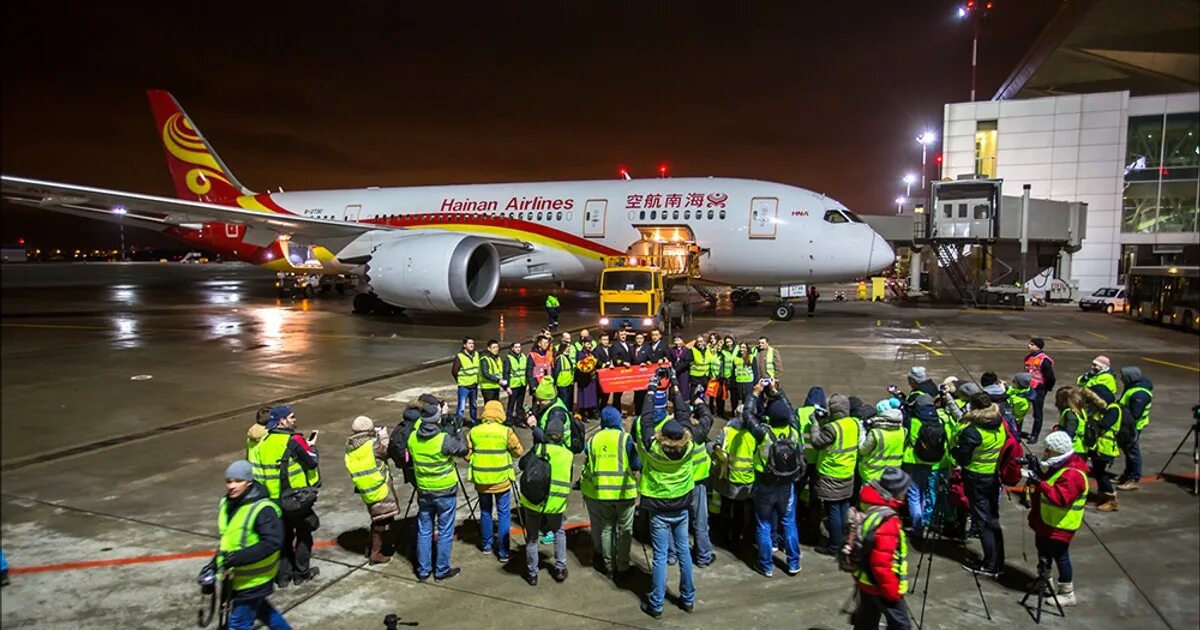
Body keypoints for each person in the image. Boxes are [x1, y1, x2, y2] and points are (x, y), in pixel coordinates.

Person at [636, 377, 698, 619]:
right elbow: (683, 415)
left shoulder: (653, 449)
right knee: (684, 552)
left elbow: (646, 420)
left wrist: (651, 392)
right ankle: (688, 598)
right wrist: (675, 386)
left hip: (659, 509)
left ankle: (657, 603)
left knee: (660, 556)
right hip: (681, 506)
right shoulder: (690, 447)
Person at [248, 405, 321, 587]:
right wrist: (313, 448)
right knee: (304, 535)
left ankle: (282, 577)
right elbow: (311, 463)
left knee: (284, 538)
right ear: (282, 421)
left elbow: (256, 477)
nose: (294, 420)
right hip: (296, 499)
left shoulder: (261, 445)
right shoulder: (293, 440)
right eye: (291, 417)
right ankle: (301, 573)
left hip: (274, 502)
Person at [215, 460, 291, 630]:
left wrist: (238, 558)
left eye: (237, 481)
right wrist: (214, 564)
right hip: (237, 577)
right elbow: (228, 538)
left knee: (238, 624)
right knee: (263, 611)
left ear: (249, 482)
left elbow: (272, 542)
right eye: (229, 481)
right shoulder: (226, 504)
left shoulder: (263, 509)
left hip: (254, 579)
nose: (232, 486)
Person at [743, 381, 803, 577]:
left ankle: (766, 565)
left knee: (764, 524)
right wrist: (777, 392)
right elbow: (790, 410)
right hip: (787, 485)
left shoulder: (764, 433)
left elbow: (748, 415)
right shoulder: (794, 430)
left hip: (766, 483)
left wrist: (754, 394)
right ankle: (794, 562)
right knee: (788, 522)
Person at [1025, 431, 1089, 607]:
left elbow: (1060, 498)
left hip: (1061, 524)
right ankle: (1044, 580)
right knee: (1043, 550)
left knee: (1060, 556)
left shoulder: (1073, 474)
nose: (1045, 453)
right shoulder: (1061, 465)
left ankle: (1067, 592)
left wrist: (1040, 483)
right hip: (1047, 520)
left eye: (1048, 450)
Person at [407, 400, 468, 582]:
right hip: (445, 490)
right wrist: (458, 431)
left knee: (424, 530)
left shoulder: (412, 439)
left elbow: (419, 426)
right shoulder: (443, 440)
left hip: (425, 490)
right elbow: (462, 449)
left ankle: (423, 570)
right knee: (444, 530)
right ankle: (441, 569)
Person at [580, 406, 641, 579]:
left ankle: (608, 565)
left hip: (603, 493)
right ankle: (622, 566)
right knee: (624, 531)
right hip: (624, 493)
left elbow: (587, 456)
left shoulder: (593, 440)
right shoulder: (625, 439)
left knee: (606, 528)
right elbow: (636, 464)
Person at [952, 392, 1006, 578]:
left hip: (976, 477)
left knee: (983, 521)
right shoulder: (999, 424)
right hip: (992, 476)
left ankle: (991, 564)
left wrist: (955, 449)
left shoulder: (973, 431)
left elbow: (963, 457)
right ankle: (997, 560)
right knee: (992, 520)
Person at [852, 467, 913, 630]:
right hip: (881, 585)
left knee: (865, 622)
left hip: (865, 580)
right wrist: (893, 591)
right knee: (902, 625)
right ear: (896, 492)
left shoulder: (870, 507)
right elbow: (881, 563)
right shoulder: (889, 521)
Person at [519, 415, 574, 585]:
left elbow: (522, 464)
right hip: (556, 503)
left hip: (534, 501)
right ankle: (559, 567)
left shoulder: (539, 449)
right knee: (558, 532)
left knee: (532, 538)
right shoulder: (568, 454)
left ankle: (532, 573)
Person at [468, 400, 524, 562]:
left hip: (481, 480)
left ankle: (486, 545)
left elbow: (467, 453)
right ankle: (503, 551)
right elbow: (518, 451)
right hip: (501, 480)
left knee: (485, 511)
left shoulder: (474, 431)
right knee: (503, 513)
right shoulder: (505, 431)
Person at [344, 416, 399, 564]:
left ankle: (371, 548)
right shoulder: (372, 445)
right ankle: (376, 553)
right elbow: (388, 452)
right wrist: (384, 437)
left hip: (365, 488)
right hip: (379, 487)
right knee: (382, 521)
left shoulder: (351, 447)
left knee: (377, 518)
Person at [810, 394, 858, 556]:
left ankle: (834, 546)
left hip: (831, 474)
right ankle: (844, 541)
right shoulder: (854, 424)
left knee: (832, 512)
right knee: (844, 509)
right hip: (847, 472)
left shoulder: (832, 428)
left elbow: (817, 443)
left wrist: (815, 424)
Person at [712, 398, 756, 549]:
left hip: (728, 477)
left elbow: (717, 448)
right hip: (748, 479)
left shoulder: (727, 431)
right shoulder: (754, 433)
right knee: (740, 512)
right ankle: (737, 539)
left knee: (726, 508)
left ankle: (723, 537)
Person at [901, 394, 944, 545]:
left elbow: (908, 438)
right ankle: (923, 520)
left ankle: (917, 528)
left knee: (913, 494)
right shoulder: (938, 420)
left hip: (912, 460)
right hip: (929, 461)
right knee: (923, 492)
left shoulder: (913, 421)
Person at [795, 386, 827, 543]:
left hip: (802, 461)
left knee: (796, 492)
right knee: (816, 498)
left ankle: (795, 522)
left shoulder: (799, 412)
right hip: (819, 463)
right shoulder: (826, 415)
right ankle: (812, 531)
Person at [1086, 385, 1124, 512]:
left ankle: (1111, 499)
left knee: (1101, 474)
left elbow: (1104, 424)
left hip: (1106, 448)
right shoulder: (1102, 409)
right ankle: (1102, 496)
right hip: (1099, 447)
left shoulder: (1113, 409)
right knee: (1097, 472)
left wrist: (1090, 421)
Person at [1116, 366, 1152, 491]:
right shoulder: (1133, 387)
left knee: (1133, 452)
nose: (1121, 379)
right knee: (1128, 451)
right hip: (1128, 426)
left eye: (1123, 376)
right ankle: (1127, 474)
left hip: (1133, 427)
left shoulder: (1140, 393)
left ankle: (1134, 478)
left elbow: (1135, 414)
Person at [859, 403, 905, 487]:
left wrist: (862, 429)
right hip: (893, 474)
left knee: (869, 499)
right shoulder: (902, 431)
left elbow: (863, 450)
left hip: (872, 474)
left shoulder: (876, 433)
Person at [1023, 338, 1057, 443]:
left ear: (1038, 346)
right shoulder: (1028, 357)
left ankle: (1034, 435)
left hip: (1039, 389)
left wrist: (1046, 387)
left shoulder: (1044, 360)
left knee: (1037, 413)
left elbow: (1050, 377)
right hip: (1028, 387)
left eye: (1032, 344)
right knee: (1021, 409)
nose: (1029, 346)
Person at [451, 338, 480, 426]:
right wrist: (460, 381)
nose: (472, 345)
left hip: (474, 385)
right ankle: (458, 425)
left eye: (473, 343)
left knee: (474, 406)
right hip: (464, 386)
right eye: (469, 343)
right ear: (464, 345)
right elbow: (454, 371)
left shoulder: (476, 354)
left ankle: (474, 422)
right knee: (461, 407)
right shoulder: (460, 356)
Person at [574, 338, 601, 421]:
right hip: (584, 379)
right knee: (584, 397)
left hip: (592, 379)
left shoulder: (592, 354)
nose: (589, 346)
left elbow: (597, 362)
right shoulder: (580, 353)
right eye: (587, 344)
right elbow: (580, 364)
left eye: (590, 344)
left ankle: (591, 412)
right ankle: (582, 413)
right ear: (583, 345)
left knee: (591, 396)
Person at [505, 341, 528, 426]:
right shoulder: (509, 358)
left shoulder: (523, 357)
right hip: (513, 385)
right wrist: (507, 387)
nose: (518, 349)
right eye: (516, 347)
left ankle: (519, 420)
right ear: (512, 348)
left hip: (522, 384)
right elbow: (506, 373)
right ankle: (509, 420)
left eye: (519, 347)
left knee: (520, 404)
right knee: (511, 404)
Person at [479, 339, 508, 404]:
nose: (496, 349)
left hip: (496, 387)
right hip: (488, 388)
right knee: (489, 408)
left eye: (497, 347)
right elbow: (486, 374)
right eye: (494, 347)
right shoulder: (484, 359)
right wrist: (498, 380)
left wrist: (505, 387)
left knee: (495, 407)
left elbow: (500, 373)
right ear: (489, 349)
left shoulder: (498, 359)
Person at [553, 334, 576, 413]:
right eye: (566, 349)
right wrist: (554, 384)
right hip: (562, 384)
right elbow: (556, 372)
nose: (568, 350)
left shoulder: (566, 357)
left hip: (568, 382)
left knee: (569, 401)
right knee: (564, 401)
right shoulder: (560, 358)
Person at [667, 334, 693, 402]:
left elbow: (687, 361)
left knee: (683, 389)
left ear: (682, 340)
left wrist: (678, 368)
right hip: (674, 373)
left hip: (683, 373)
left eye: (678, 340)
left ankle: (684, 404)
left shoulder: (687, 350)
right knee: (674, 388)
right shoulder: (671, 350)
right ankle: (674, 402)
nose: (676, 342)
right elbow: (669, 359)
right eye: (675, 340)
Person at [593, 333, 613, 407]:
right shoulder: (597, 350)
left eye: (607, 340)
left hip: (608, 375)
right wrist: (606, 364)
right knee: (599, 393)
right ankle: (597, 409)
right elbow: (597, 361)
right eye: (604, 340)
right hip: (600, 375)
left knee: (607, 393)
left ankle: (603, 407)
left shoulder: (610, 349)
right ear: (600, 341)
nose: (606, 341)